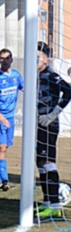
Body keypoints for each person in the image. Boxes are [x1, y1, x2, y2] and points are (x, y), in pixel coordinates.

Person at [34, 42, 71, 218]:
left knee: (49, 162)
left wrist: (53, 114)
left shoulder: (51, 76)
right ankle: (47, 202)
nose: (34, 61)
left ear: (46, 59)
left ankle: (55, 205)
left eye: (37, 58)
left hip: (49, 124)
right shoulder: (36, 76)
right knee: (41, 163)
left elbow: (69, 92)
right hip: (39, 124)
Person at [0, 48, 24, 191]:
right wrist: (1, 118)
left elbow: (26, 88)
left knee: (5, 148)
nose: (4, 60)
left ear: (11, 59)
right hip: (1, 118)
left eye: (6, 58)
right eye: (1, 58)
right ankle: (5, 180)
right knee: (2, 148)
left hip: (11, 118)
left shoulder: (16, 76)